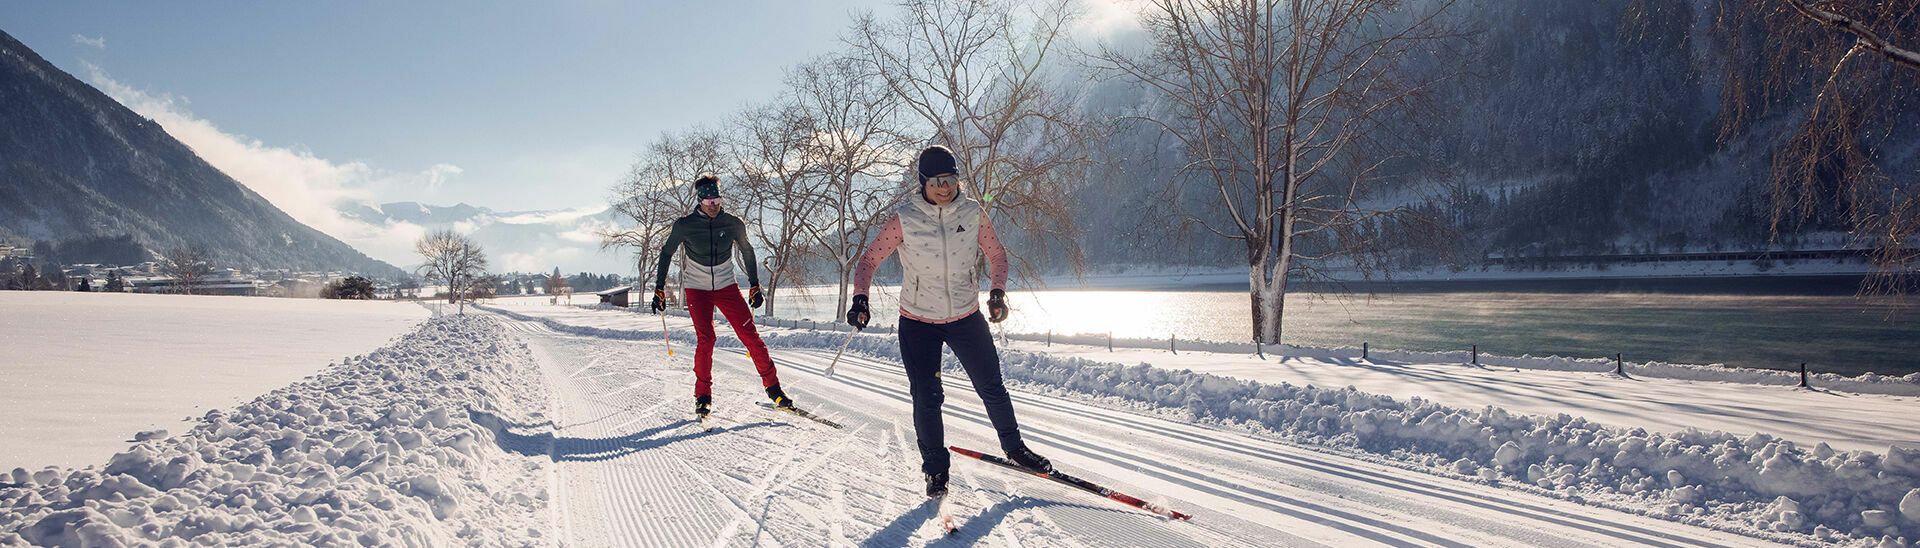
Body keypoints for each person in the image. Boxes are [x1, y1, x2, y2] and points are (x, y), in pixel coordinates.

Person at [846, 145, 1051, 499]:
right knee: (927, 396)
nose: (945, 188)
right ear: (923, 182)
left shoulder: (972, 213)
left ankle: (1015, 448)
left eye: (951, 179)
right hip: (918, 321)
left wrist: (997, 293)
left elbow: (997, 255)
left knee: (991, 385)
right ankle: (936, 470)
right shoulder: (904, 219)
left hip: (965, 316)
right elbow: (868, 261)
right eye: (937, 181)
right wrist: (860, 298)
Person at [651, 174, 790, 419]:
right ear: (700, 201)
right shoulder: (684, 225)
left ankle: (774, 389)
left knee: (750, 336)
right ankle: (703, 397)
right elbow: (666, 253)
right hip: (697, 288)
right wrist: (659, 288)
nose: (713, 205)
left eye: (717, 200)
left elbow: (747, 250)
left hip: (726, 285)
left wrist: (755, 285)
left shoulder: (733, 223)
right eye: (708, 201)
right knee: (707, 339)